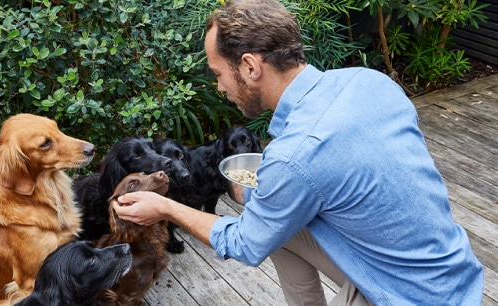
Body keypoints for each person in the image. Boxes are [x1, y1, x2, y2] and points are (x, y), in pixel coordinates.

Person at [112, 0, 485, 304]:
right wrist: (263, 194)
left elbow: (244, 242)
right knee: (278, 228)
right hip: (449, 271)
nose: (219, 86)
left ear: (249, 66)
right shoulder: (369, 81)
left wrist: (163, 207)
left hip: (409, 297)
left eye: (218, 72)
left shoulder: (296, 156)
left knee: (260, 228)